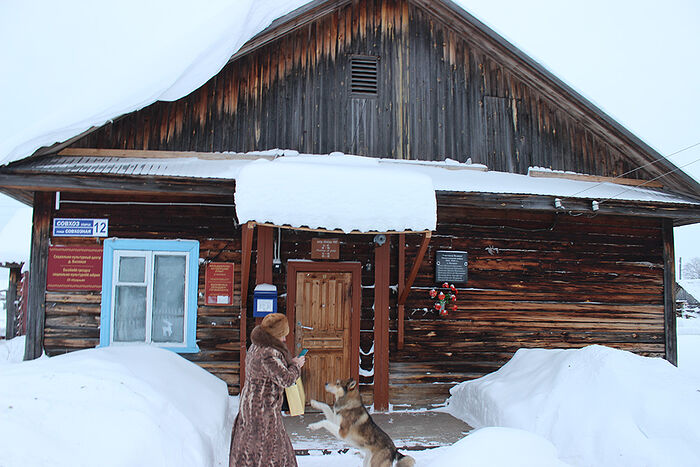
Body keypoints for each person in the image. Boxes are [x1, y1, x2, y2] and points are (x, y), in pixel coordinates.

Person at [229, 313, 306, 466]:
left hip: (252, 405)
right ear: (275, 334)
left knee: (252, 446)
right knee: (267, 450)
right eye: (282, 335)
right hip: (262, 409)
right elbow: (286, 379)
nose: (284, 339)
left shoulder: (256, 346)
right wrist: (296, 365)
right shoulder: (268, 353)